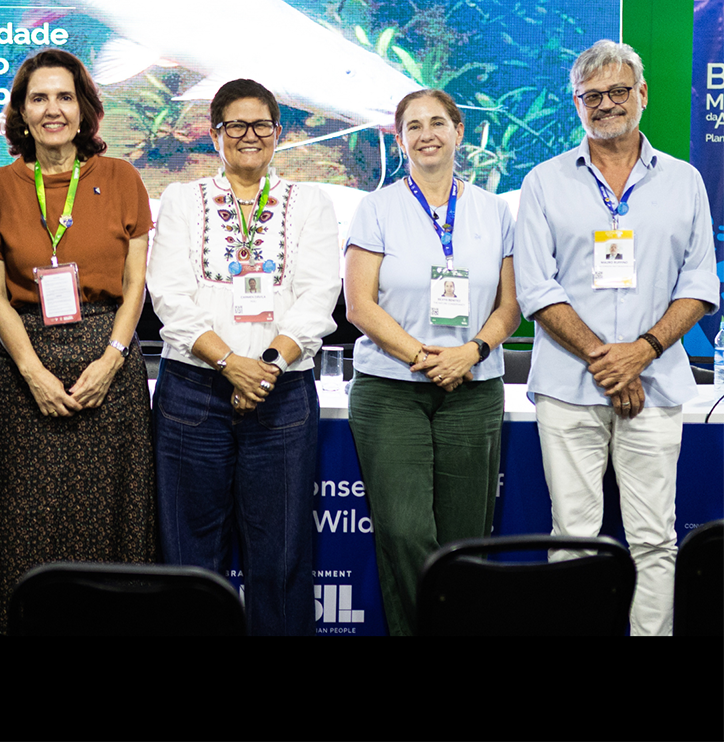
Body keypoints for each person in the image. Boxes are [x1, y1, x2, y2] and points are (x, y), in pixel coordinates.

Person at [515, 39, 718, 636]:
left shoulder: (684, 182)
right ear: (577, 103)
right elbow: (535, 288)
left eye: (618, 91)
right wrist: (609, 361)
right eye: (592, 95)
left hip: (654, 383)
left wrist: (642, 353)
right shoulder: (543, 182)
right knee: (573, 536)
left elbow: (702, 283)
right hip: (567, 387)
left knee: (655, 536)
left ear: (643, 94)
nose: (606, 104)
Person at [0, 48, 154, 631]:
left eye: (65, 97)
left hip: (109, 363)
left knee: (110, 525)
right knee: (20, 525)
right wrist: (33, 372)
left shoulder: (121, 177)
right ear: (21, 111)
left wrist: (112, 360)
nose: (53, 110)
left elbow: (135, 283)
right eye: (39, 97)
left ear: (84, 109)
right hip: (23, 370)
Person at [147, 78, 341, 636]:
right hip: (193, 393)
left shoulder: (310, 202)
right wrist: (231, 362)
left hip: (282, 394)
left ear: (278, 134)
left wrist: (269, 366)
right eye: (236, 125)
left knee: (279, 560)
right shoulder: (184, 200)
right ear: (215, 136)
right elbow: (170, 298)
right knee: (189, 561)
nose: (249, 135)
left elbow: (318, 295)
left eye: (261, 125)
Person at [343, 88, 520, 636]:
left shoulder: (495, 211)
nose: (427, 135)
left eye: (438, 122)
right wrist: (422, 357)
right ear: (400, 140)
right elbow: (359, 304)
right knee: (403, 531)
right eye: (413, 126)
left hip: (474, 386)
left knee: (464, 544)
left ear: (459, 131)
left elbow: (511, 306)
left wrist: (472, 352)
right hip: (391, 387)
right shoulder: (376, 208)